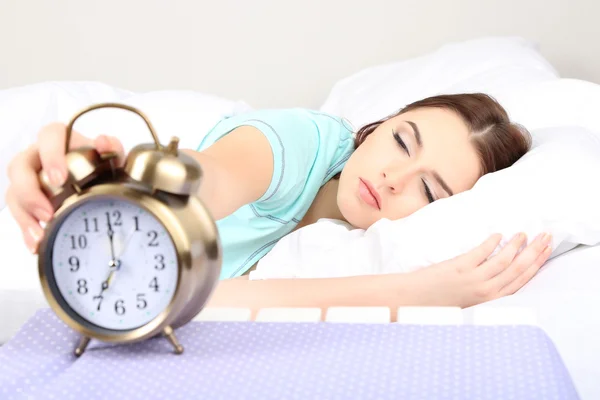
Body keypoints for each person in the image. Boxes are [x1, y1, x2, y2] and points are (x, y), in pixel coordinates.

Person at [5, 93, 552, 321]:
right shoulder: (299, 144)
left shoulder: (370, 244)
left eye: (428, 191)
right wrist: (121, 176)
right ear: (377, 127)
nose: (391, 178)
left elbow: (212, 301)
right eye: (402, 142)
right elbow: (207, 176)